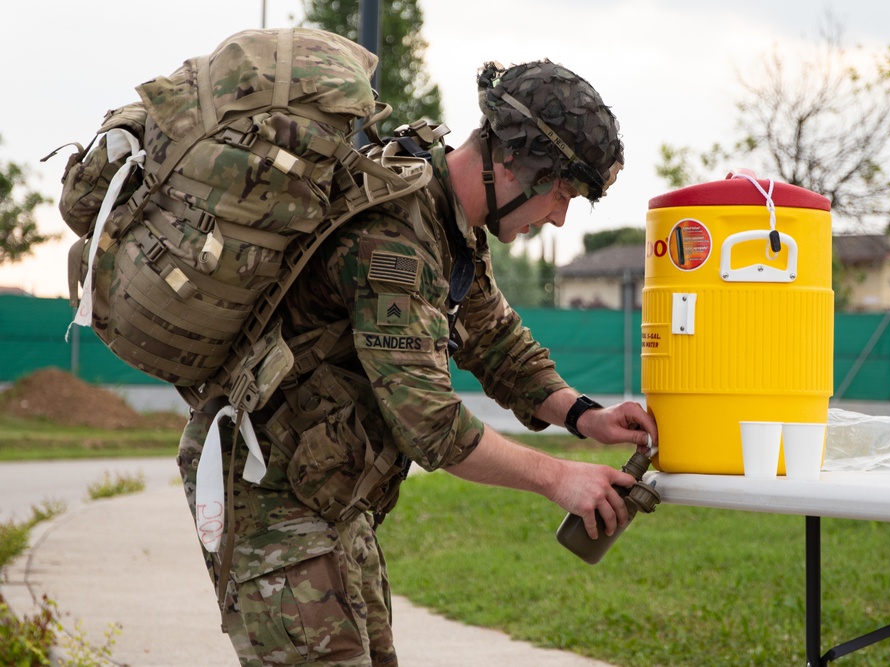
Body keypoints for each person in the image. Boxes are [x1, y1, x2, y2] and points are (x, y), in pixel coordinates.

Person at [177, 53, 658, 667]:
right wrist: (560, 478)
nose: (560, 216)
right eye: (560, 192)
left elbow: (498, 343)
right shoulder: (394, 242)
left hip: (330, 499)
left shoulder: (446, 224)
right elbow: (431, 425)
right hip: (270, 499)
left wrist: (585, 415)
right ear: (513, 161)